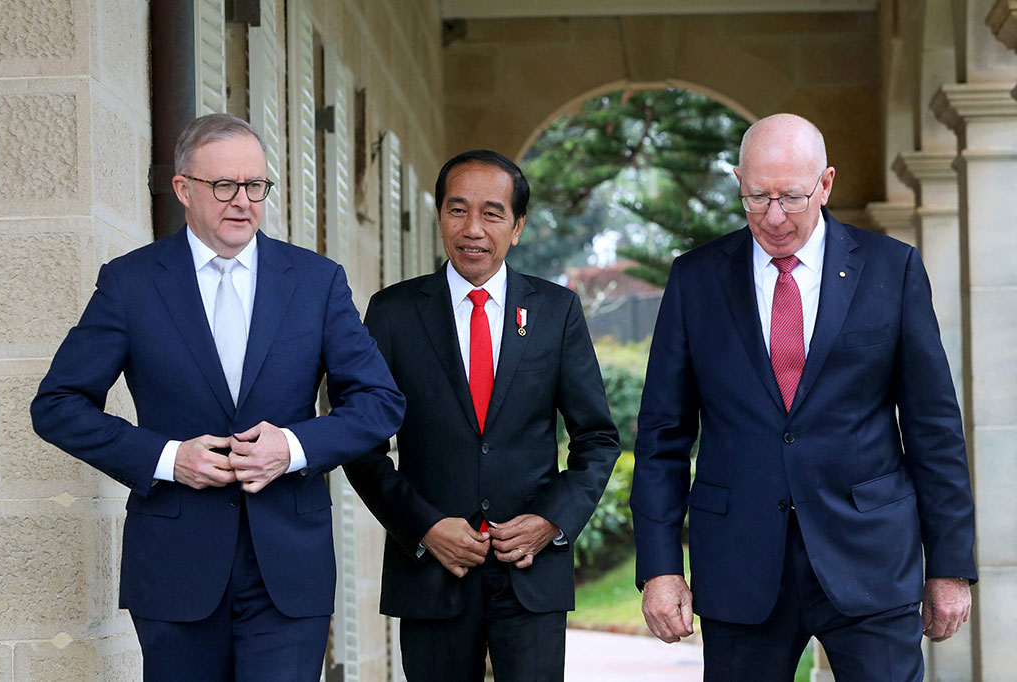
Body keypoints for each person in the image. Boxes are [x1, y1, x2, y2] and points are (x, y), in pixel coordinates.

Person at [30, 113, 405, 682]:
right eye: (225, 186)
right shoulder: (130, 283)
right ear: (183, 188)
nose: (243, 202)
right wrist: (167, 458)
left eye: (255, 186)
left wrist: (293, 446)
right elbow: (56, 405)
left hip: (288, 566)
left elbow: (380, 402)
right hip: (175, 564)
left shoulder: (317, 281)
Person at [631, 113, 976, 681]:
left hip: (871, 558)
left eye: (791, 197)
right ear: (738, 181)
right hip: (740, 564)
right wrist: (661, 568)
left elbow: (933, 427)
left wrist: (949, 566)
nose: (773, 217)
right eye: (756, 197)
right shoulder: (695, 280)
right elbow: (663, 434)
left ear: (826, 183)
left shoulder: (892, 269)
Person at [343, 150, 620, 681]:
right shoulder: (392, 312)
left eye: (492, 213)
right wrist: (423, 527)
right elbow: (360, 441)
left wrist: (550, 522)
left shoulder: (556, 311)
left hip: (530, 570)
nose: (473, 229)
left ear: (516, 227)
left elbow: (597, 439)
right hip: (431, 572)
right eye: (457, 210)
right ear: (440, 217)